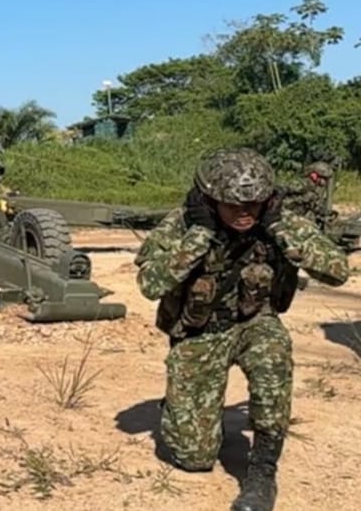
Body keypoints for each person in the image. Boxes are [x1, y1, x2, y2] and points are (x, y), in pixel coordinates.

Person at [133, 147, 350, 511]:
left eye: (254, 203)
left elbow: (337, 269)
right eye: (234, 205)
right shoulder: (184, 224)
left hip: (255, 322)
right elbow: (149, 284)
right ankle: (180, 405)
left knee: (274, 356)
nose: (245, 213)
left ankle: (263, 471)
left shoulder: (275, 219)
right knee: (193, 458)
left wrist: (281, 231)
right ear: (209, 199)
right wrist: (199, 238)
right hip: (201, 332)